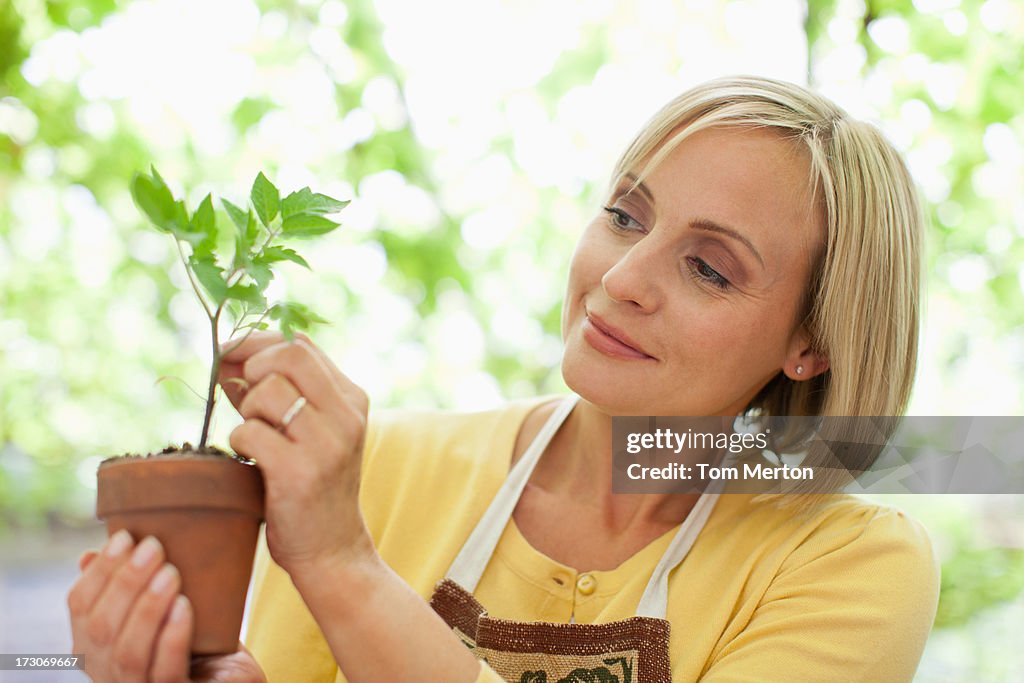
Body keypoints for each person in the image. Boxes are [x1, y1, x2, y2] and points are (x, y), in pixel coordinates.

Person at [67, 75, 939, 682]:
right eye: (624, 214)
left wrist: (342, 563)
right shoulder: (374, 471)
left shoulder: (850, 563)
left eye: (709, 268)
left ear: (811, 345)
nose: (623, 276)